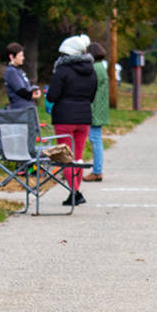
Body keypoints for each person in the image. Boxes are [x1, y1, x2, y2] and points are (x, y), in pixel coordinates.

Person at [45, 34, 97, 205]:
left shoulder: (62, 71)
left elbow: (52, 96)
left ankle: (75, 192)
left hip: (64, 118)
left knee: (66, 156)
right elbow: (92, 95)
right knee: (79, 156)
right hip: (84, 117)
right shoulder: (91, 71)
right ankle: (76, 191)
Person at [84, 42, 109, 182]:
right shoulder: (101, 66)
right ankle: (97, 170)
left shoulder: (93, 68)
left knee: (95, 139)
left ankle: (97, 170)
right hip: (100, 108)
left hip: (94, 108)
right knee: (96, 139)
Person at [3, 42, 42, 111]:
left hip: (27, 109)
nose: (23, 58)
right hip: (21, 111)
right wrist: (34, 95)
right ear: (11, 57)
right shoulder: (11, 72)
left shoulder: (18, 71)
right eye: (21, 56)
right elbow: (21, 91)